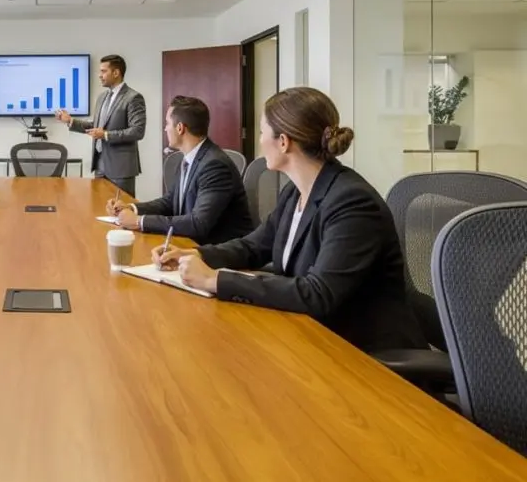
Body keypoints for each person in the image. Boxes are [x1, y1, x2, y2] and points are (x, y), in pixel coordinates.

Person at [152, 87, 426, 354]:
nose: (259, 141)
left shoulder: (352, 202)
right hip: (309, 333)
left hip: (359, 350)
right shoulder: (296, 191)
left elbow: (318, 293)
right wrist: (195, 253)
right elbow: (254, 246)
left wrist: (215, 280)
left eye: (262, 132)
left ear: (283, 142)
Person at [108, 96, 253, 244]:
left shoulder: (215, 166)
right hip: (191, 244)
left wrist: (140, 221)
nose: (165, 128)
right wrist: (133, 208)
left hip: (219, 251)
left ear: (180, 128)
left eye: (167, 123)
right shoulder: (188, 158)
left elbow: (198, 223)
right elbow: (170, 202)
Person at [56, 54, 146, 195]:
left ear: (116, 73)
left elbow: (137, 131)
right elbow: (96, 126)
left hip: (121, 169)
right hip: (100, 166)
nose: (99, 75)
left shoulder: (133, 98)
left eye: (103, 71)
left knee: (120, 212)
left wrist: (105, 135)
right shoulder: (102, 97)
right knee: (99, 209)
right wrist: (70, 121)